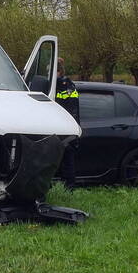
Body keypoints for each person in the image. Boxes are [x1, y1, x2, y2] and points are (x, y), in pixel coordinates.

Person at [55, 57, 80, 185]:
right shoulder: (66, 85)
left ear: (58, 71)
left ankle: (68, 188)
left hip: (65, 130)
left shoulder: (63, 86)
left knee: (67, 162)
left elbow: (70, 109)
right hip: (65, 129)